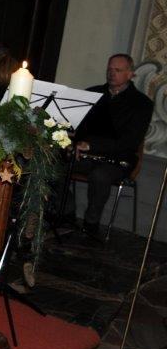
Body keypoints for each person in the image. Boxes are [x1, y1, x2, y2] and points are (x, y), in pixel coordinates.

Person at [71, 53, 153, 237]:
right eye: (109, 69)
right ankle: (66, 212)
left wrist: (91, 145)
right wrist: (76, 142)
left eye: (118, 70)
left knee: (100, 175)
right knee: (54, 164)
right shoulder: (92, 93)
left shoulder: (142, 103)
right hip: (86, 154)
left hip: (118, 159)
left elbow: (130, 141)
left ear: (130, 74)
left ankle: (91, 224)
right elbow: (78, 126)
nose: (111, 73)